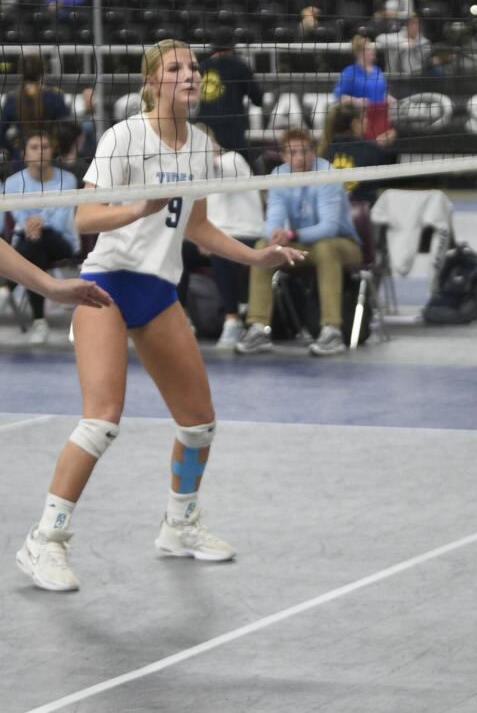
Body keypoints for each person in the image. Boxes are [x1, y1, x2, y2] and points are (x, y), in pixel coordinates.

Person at [14, 39, 302, 592]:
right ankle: (44, 541)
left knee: (199, 423)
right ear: (152, 83)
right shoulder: (124, 136)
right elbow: (86, 219)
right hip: (106, 287)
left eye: (193, 67)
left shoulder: (201, 146)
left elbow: (197, 228)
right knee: (101, 419)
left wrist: (257, 255)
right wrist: (137, 208)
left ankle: (180, 525)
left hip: (159, 292)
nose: (190, 75)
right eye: (176, 68)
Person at [236, 128, 363, 358]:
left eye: (304, 151)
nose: (299, 158)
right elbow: (272, 221)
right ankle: (257, 328)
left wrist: (291, 235)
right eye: (293, 153)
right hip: (304, 245)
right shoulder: (279, 175)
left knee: (326, 247)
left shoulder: (327, 174)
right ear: (284, 156)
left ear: (313, 152)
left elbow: (329, 228)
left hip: (344, 245)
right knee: (263, 246)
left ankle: (331, 330)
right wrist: (276, 236)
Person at [2, 130, 79, 344]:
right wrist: (34, 226)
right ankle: (39, 323)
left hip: (62, 242)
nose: (40, 151)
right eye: (34, 147)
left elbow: (63, 221)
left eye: (45, 147)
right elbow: (21, 219)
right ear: (25, 154)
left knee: (36, 242)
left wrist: (40, 224)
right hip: (29, 242)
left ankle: (7, 289)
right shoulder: (13, 183)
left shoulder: (68, 179)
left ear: (52, 152)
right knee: (35, 248)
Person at [195, 127, 264, 349]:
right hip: (210, 235)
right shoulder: (195, 173)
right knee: (172, 249)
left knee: (219, 251)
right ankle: (182, 317)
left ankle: (233, 319)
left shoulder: (233, 160)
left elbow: (215, 166)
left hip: (247, 234)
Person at [195, 34, 263, 160]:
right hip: (232, 132)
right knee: (244, 171)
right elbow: (258, 99)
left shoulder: (202, 66)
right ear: (232, 47)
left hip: (205, 130)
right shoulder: (239, 67)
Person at [319, 102, 392, 206]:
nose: (367, 121)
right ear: (355, 124)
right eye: (364, 117)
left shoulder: (323, 151)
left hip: (330, 210)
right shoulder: (371, 150)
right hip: (365, 214)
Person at [0, 53, 71, 158]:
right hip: (49, 157)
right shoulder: (54, 97)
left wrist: (14, 150)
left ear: (21, 71)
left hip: (22, 157)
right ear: (43, 71)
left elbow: (1, 132)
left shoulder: (11, 99)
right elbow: (67, 129)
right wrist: (54, 148)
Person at [334, 35, 395, 146]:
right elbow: (339, 97)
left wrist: (389, 98)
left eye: (371, 48)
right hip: (362, 119)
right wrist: (356, 101)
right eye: (368, 49)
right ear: (359, 53)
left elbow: (383, 92)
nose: (372, 51)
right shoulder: (349, 72)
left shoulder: (378, 71)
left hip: (381, 117)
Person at [376, 13, 436, 78]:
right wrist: (405, 42)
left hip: (415, 77)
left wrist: (413, 45)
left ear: (420, 26)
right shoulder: (397, 36)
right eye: (412, 23)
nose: (414, 26)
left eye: (417, 24)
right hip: (393, 77)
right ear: (406, 25)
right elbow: (379, 38)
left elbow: (422, 63)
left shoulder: (425, 42)